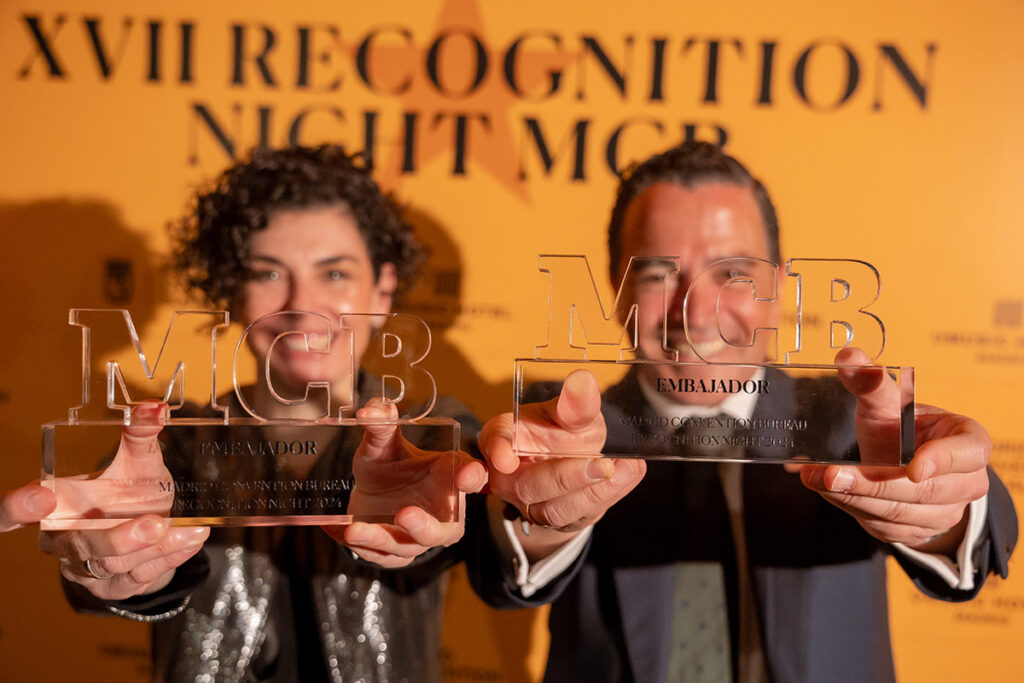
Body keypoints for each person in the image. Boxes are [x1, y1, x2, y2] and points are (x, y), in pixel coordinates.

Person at [473, 141, 1018, 682]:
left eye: (733, 273)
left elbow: (981, 528)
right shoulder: (561, 430)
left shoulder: (847, 420)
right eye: (657, 274)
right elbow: (497, 565)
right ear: (616, 289)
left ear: (778, 286)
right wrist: (539, 516)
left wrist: (942, 509)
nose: (696, 309)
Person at [41, 145, 487, 682]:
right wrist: (116, 567)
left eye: (336, 274)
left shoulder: (434, 435)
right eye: (269, 273)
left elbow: (506, 547)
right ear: (234, 290)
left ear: (383, 287)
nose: (301, 304)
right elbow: (109, 554)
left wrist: (532, 517)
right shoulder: (173, 445)